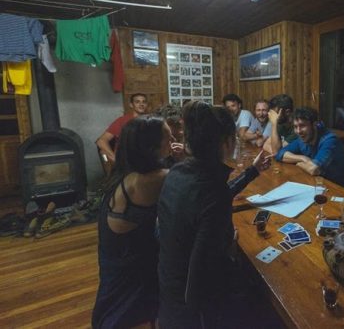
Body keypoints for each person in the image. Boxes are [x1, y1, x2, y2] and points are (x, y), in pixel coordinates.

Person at [158, 102, 270, 327]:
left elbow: (214, 196)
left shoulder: (178, 171)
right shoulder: (212, 190)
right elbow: (206, 271)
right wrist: (229, 246)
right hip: (194, 312)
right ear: (227, 142)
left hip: (168, 288)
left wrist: (253, 171)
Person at [92, 115, 173, 328]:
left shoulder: (127, 171)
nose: (174, 140)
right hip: (134, 267)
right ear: (152, 146)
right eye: (168, 137)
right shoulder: (149, 179)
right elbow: (195, 182)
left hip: (114, 259)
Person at [275, 107, 344, 189]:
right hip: (318, 183)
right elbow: (280, 154)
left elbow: (313, 169)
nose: (298, 131)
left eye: (302, 126)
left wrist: (297, 163)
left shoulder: (329, 140)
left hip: (339, 188)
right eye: (295, 127)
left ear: (314, 124)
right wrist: (303, 158)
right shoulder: (303, 139)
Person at [96, 93, 148, 163]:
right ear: (131, 105)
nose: (141, 104)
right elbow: (101, 141)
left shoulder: (150, 120)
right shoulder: (122, 121)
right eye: (137, 102)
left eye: (144, 102)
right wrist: (115, 159)